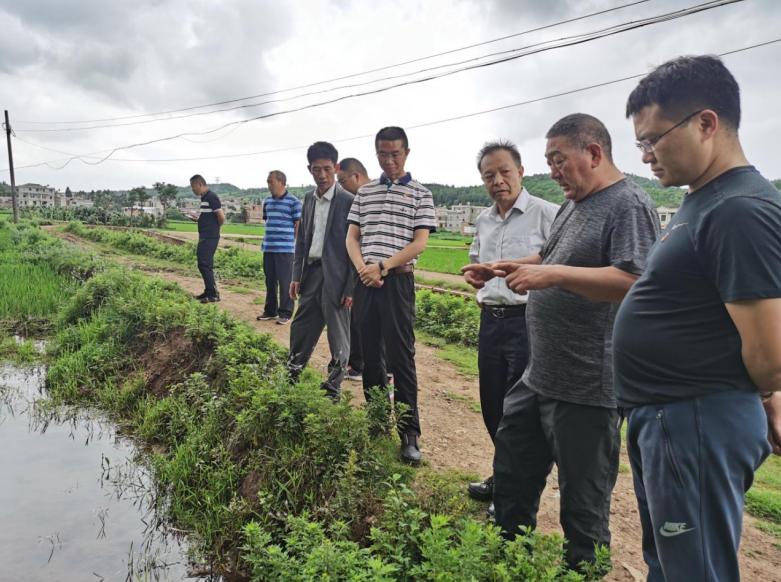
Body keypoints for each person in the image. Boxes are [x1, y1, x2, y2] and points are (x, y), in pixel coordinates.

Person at [464, 113, 659, 571]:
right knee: (512, 476)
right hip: (541, 374)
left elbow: (635, 279)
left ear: (594, 153)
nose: (552, 171)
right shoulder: (575, 202)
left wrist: (551, 275)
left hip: (587, 385)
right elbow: (551, 256)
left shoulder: (628, 204)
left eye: (559, 160)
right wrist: (504, 268)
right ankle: (510, 563)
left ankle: (583, 573)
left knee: (583, 504)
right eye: (548, 162)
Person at [616, 55, 780, 581]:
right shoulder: (702, 201)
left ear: (706, 123)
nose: (646, 156)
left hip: (694, 419)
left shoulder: (739, 210)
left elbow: (771, 352)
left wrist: (757, 397)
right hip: (672, 417)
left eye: (652, 140)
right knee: (671, 564)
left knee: (696, 571)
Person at [463, 141, 558, 513]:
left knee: (520, 415)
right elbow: (476, 258)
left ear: (520, 171)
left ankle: (514, 493)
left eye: (504, 172)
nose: (498, 181)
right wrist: (476, 275)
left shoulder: (547, 213)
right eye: (489, 175)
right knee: (492, 406)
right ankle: (504, 476)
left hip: (528, 322)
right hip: (491, 320)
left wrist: (507, 267)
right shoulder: (485, 220)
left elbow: (558, 260)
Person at [346, 126, 436, 465]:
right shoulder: (364, 193)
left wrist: (382, 267)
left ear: (407, 153)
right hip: (366, 282)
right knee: (370, 354)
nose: (389, 160)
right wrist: (362, 269)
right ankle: (376, 422)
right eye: (383, 154)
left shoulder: (420, 194)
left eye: (395, 154)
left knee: (401, 357)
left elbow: (420, 242)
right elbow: (352, 238)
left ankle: (409, 433)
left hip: (397, 281)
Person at [288, 141, 355, 399]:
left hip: (337, 278)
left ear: (336, 168)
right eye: (317, 170)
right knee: (302, 326)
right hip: (312, 273)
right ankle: (293, 371)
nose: (323, 175)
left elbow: (354, 247)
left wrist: (350, 286)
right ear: (309, 169)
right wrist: (296, 275)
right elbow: (302, 241)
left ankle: (333, 386)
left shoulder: (348, 201)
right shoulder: (308, 199)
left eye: (328, 169)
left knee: (338, 335)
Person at [337, 158, 371, 381]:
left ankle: (360, 366)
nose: (340, 186)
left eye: (342, 180)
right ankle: (358, 364)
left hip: (372, 269)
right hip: (361, 267)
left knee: (363, 321)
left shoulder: (367, 198)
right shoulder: (359, 198)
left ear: (356, 176)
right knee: (359, 319)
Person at [258, 170, 302, 325]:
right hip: (268, 248)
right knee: (270, 281)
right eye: (268, 182)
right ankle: (270, 310)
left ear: (281, 182)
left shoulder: (294, 202)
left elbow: (298, 225)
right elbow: (268, 221)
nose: (269, 185)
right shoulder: (267, 202)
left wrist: (295, 245)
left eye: (271, 181)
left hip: (285, 250)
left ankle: (286, 312)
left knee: (285, 282)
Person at [188, 174, 225, 303]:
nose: (193, 190)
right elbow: (208, 218)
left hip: (210, 236)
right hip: (205, 235)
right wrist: (198, 219)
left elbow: (221, 217)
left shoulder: (211, 197)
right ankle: (209, 291)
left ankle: (213, 294)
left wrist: (214, 229)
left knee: (205, 264)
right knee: (203, 264)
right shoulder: (204, 198)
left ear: (200, 184)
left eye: (193, 187)